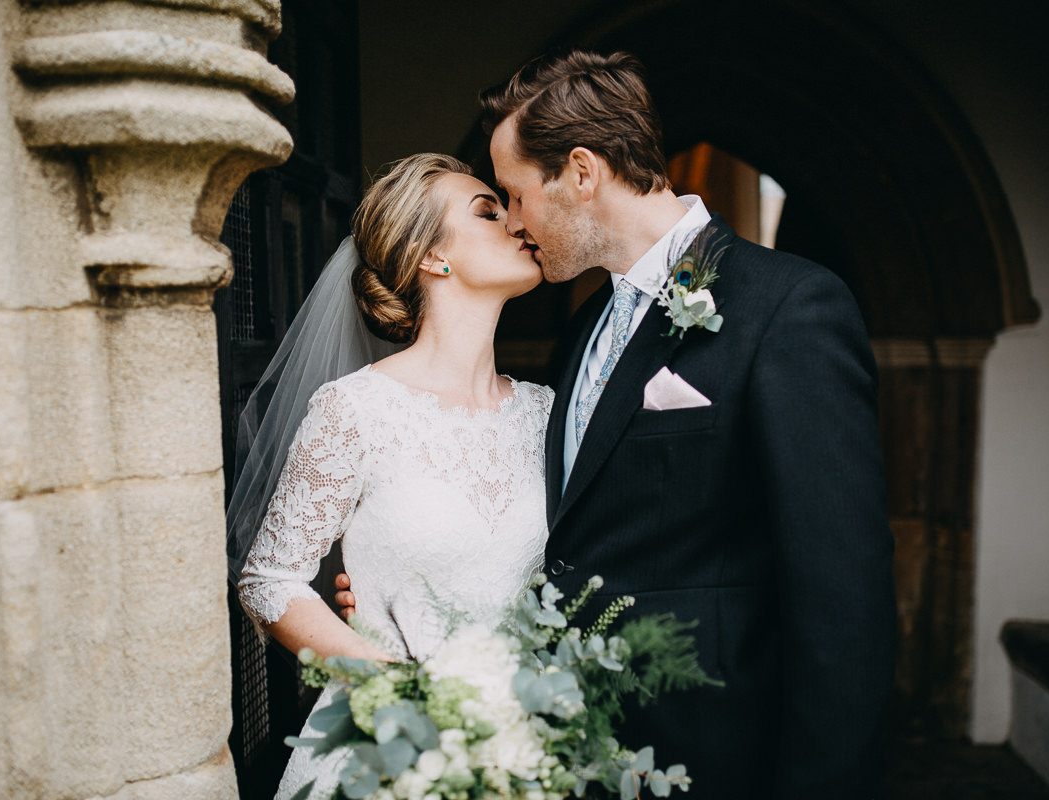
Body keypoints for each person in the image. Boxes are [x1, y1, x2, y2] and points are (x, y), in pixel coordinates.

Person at [341, 49, 896, 798]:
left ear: (580, 171)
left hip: (716, 764)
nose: (511, 220)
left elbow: (844, 605)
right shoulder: (583, 334)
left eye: (513, 193)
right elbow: (565, 536)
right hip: (575, 759)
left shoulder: (789, 309)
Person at [228, 153, 552, 798]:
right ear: (433, 258)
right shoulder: (355, 409)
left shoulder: (547, 412)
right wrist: (399, 689)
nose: (519, 224)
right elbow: (268, 580)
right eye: (489, 212)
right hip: (394, 748)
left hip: (529, 739)